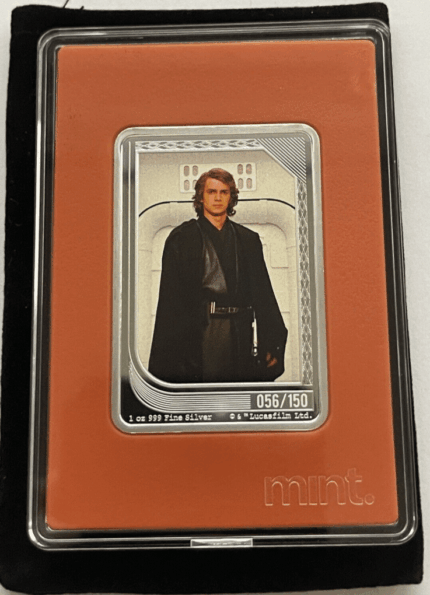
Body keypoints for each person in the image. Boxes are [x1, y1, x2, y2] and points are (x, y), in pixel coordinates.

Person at [148, 168, 287, 383]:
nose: (218, 198)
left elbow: (264, 295)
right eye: (211, 192)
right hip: (199, 334)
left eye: (224, 192)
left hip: (240, 333)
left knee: (237, 392)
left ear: (231, 197)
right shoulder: (182, 239)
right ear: (201, 197)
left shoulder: (248, 240)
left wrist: (270, 342)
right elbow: (170, 302)